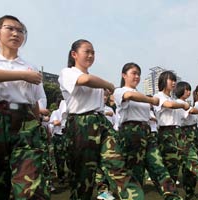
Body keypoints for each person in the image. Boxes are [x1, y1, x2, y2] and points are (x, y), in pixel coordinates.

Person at [58, 39, 143, 200]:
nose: (91, 55)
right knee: (84, 176)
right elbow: (85, 80)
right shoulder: (68, 73)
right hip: (81, 124)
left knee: (117, 164)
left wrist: (107, 89)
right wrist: (109, 85)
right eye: (87, 51)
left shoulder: (95, 79)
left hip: (101, 122)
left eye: (93, 52)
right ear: (74, 54)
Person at [0, 15, 49, 199]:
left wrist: (39, 124)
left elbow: (34, 102)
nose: (15, 33)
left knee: (30, 184)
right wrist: (21, 76)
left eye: (20, 30)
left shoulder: (30, 67)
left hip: (25, 124)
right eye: (10, 28)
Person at [114, 63, 182, 200]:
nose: (137, 76)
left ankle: (172, 196)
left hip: (146, 132)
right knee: (135, 171)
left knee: (158, 165)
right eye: (134, 73)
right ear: (124, 75)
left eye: (139, 74)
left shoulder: (140, 95)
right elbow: (129, 96)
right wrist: (151, 99)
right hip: (130, 132)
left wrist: (149, 101)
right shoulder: (120, 91)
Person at [153, 71, 190, 183]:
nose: (174, 83)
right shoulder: (158, 96)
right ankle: (166, 184)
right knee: (169, 160)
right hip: (166, 132)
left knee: (176, 161)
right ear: (163, 80)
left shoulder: (172, 98)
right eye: (171, 80)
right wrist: (183, 105)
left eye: (175, 80)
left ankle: (171, 184)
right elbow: (169, 105)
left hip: (177, 131)